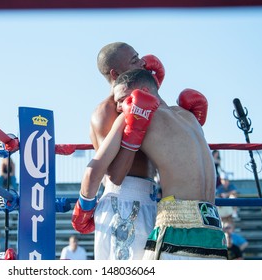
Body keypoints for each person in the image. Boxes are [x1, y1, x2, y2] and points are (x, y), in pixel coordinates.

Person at [79, 68, 226, 260]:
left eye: (122, 99)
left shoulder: (136, 112)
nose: (118, 107)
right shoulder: (188, 117)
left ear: (142, 92)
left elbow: (111, 175)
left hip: (176, 229)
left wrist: (83, 208)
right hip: (214, 232)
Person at [72, 42, 165, 260]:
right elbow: (115, 174)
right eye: (134, 60)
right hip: (123, 203)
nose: (143, 62)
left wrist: (154, 90)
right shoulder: (107, 111)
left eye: (139, 57)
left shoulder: (141, 103)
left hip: (147, 201)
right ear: (115, 73)